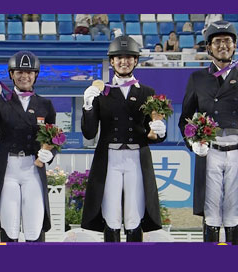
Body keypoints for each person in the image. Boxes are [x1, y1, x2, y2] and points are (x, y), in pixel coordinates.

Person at [178, 21, 238, 245]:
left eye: (228, 41)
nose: (223, 45)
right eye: (218, 41)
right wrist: (192, 142)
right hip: (209, 151)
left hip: (237, 150)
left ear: (234, 46)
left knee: (233, 208)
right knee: (211, 208)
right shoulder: (198, 78)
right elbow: (185, 117)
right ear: (209, 47)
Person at [81, 36, 166, 242]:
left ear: (136, 61)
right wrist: (88, 106)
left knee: (134, 214)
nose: (124, 61)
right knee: (111, 214)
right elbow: (89, 133)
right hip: (110, 158)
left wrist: (160, 131)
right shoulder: (102, 92)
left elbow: (152, 135)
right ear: (112, 62)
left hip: (136, 157)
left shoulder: (148, 93)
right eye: (119, 58)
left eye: (129, 57)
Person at [0, 51, 56, 242]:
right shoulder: (0, 102)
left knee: (34, 228)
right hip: (8, 170)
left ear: (35, 75)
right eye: (19, 71)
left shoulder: (45, 105)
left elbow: (53, 139)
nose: (24, 76)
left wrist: (50, 155)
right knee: (10, 228)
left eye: (29, 72)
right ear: (11, 74)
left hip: (33, 168)